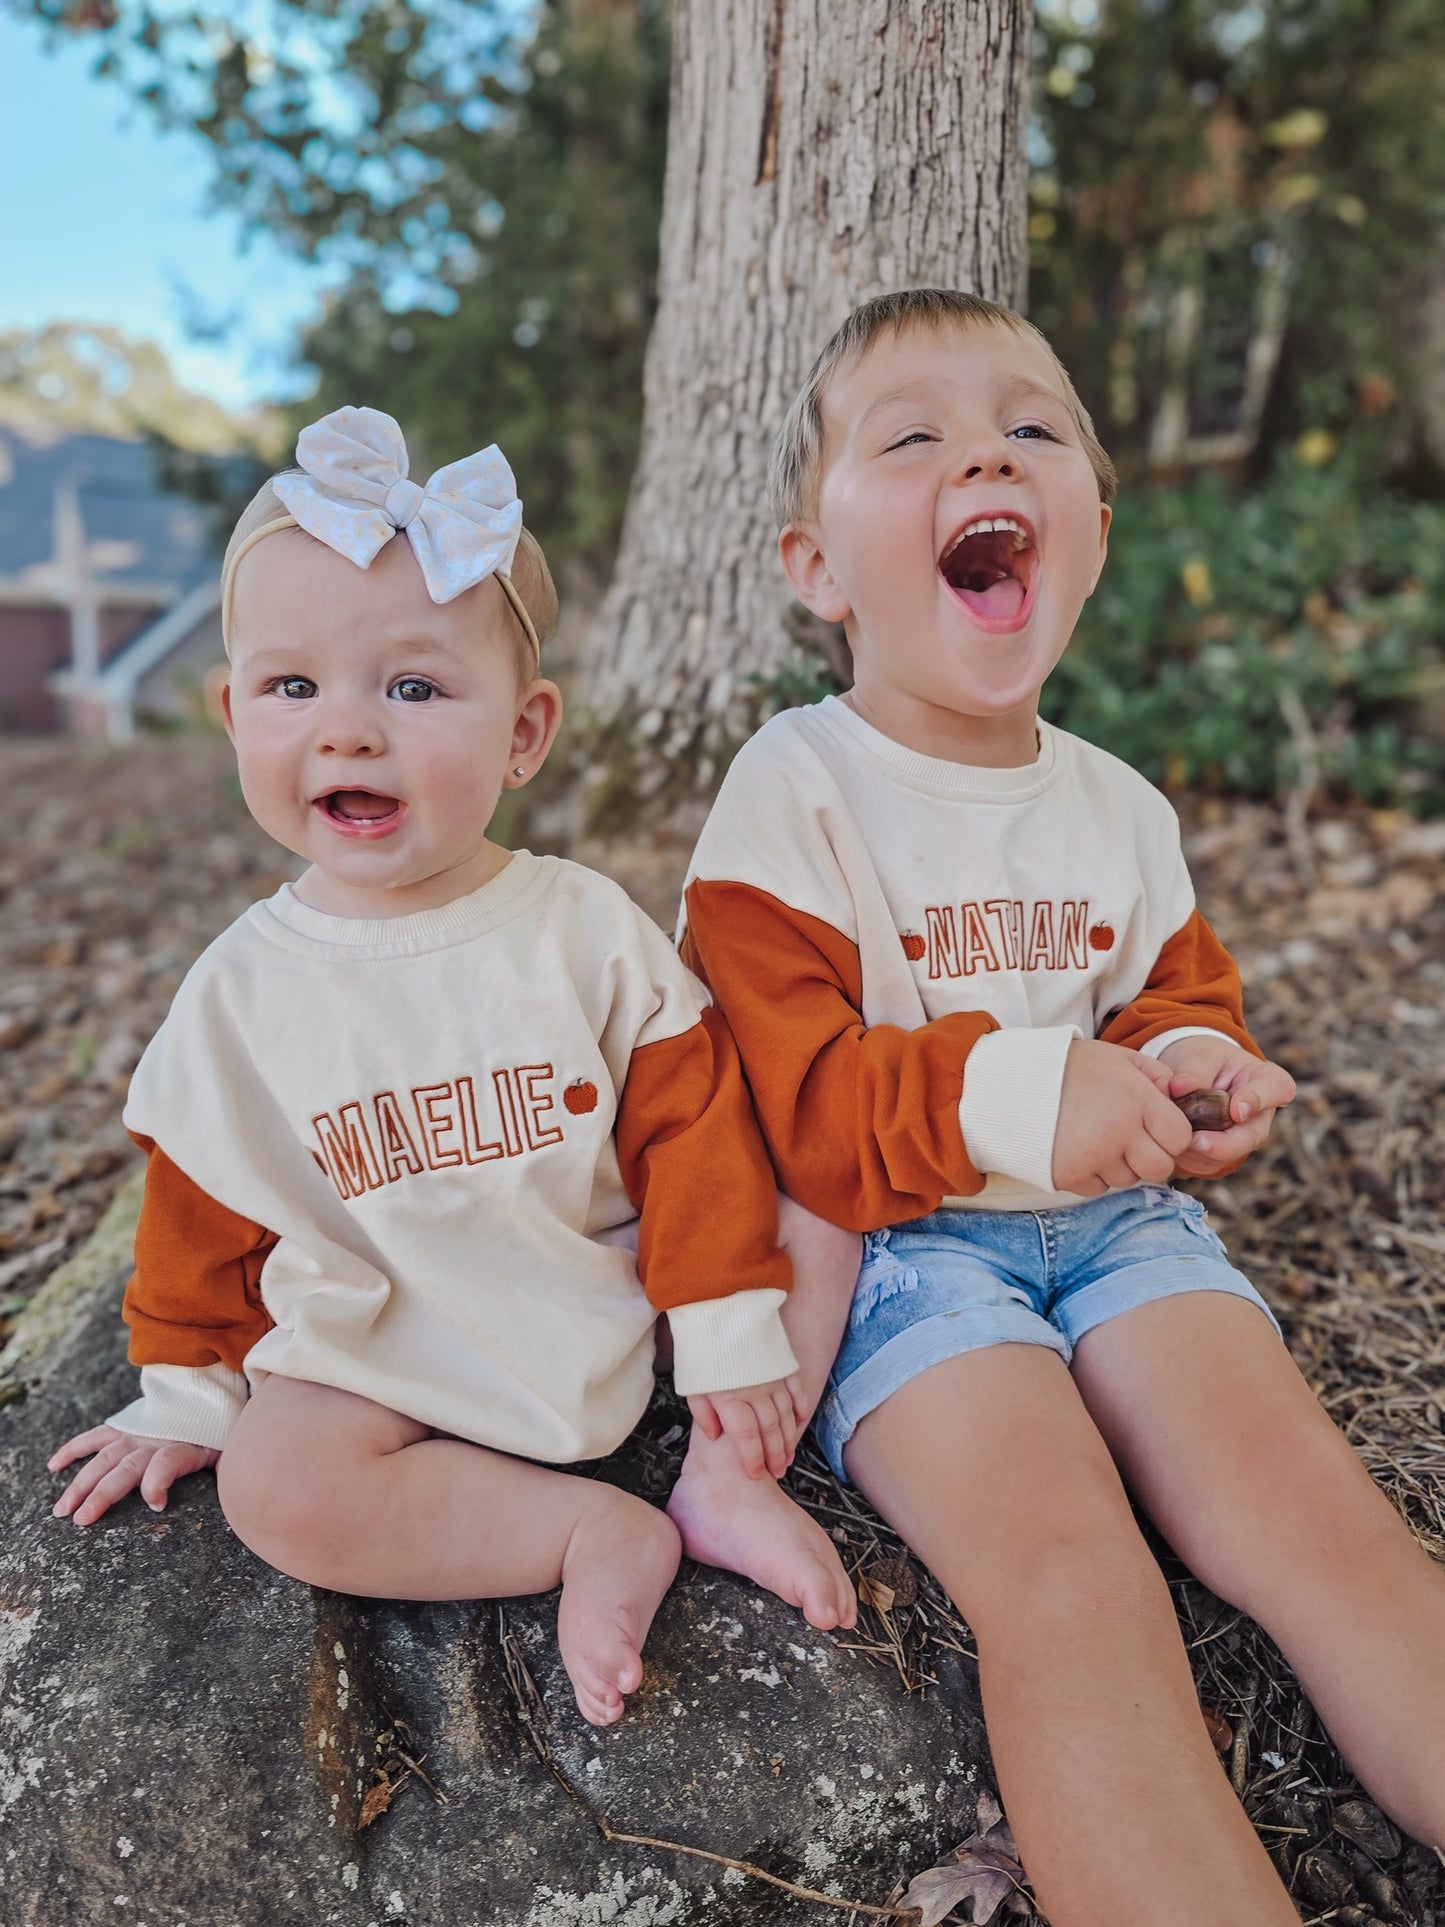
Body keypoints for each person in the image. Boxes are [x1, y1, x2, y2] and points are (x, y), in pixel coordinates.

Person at [677, 289, 1445, 1924]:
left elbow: (1166, 999)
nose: (982, 452)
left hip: (1122, 1233)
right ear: (815, 566)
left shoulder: (1115, 806)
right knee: (1067, 1580)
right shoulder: (794, 789)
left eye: (1031, 430)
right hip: (897, 1252)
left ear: (1087, 527)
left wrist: (1198, 1073)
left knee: (1320, 1526)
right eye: (911, 439)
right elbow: (794, 1102)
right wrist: (1034, 1091)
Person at [48, 407, 858, 1729]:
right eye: (290, 687)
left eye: (413, 689)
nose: (348, 731)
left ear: (524, 735)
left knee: (825, 1193)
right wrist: (185, 1397)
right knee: (279, 1488)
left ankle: (706, 1484)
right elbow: (203, 1208)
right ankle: (587, 1536)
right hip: (371, 1348)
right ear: (231, 712)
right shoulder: (246, 987)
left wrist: (720, 1336)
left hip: (591, 1313)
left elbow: (691, 1135)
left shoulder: (576, 926)